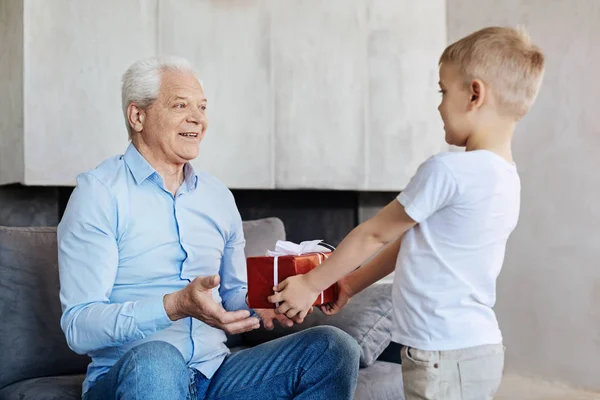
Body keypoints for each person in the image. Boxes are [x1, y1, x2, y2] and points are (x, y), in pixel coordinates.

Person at [58, 56, 360, 400]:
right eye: (180, 105)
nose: (198, 119)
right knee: (158, 358)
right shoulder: (99, 193)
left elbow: (231, 294)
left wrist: (259, 303)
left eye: (202, 107)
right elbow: (79, 327)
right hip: (132, 375)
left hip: (215, 374)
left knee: (333, 349)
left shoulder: (217, 196)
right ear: (137, 116)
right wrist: (174, 305)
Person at [269, 26, 545, 400]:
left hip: (442, 355)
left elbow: (374, 233)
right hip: (475, 348)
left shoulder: (448, 170)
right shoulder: (506, 178)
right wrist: (349, 284)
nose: (439, 104)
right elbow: (412, 243)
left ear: (475, 94)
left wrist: (310, 284)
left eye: (443, 91)